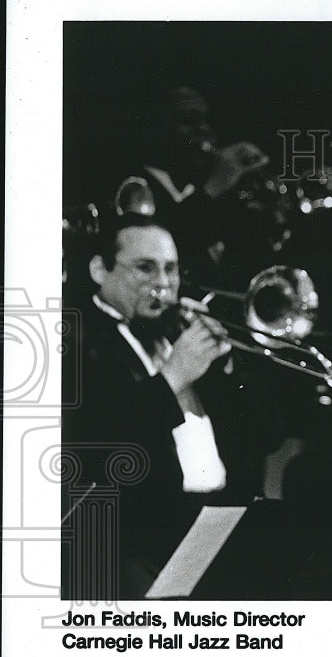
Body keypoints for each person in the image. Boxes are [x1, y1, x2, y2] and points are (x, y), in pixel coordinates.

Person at [61, 215, 280, 599]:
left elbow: (266, 436)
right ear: (100, 269)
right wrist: (173, 375)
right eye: (145, 268)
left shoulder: (176, 331)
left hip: (217, 528)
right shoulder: (76, 339)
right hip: (135, 547)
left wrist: (227, 368)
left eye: (171, 269)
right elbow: (97, 448)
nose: (162, 283)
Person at [113, 85, 277, 290]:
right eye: (187, 120)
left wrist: (270, 207)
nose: (203, 129)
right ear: (154, 127)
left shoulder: (213, 188)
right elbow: (159, 249)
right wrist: (212, 189)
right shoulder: (131, 188)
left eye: (206, 120)